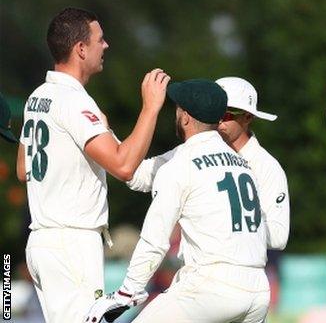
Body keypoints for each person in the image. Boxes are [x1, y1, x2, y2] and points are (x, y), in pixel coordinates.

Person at [15, 7, 170, 323]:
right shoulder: (74, 101)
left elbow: (22, 170)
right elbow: (124, 166)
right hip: (71, 243)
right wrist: (151, 108)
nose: (106, 45)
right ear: (80, 49)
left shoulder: (37, 96)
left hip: (42, 242)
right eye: (100, 39)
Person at [85, 79, 270, 323]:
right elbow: (136, 174)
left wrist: (126, 292)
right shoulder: (242, 164)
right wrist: (107, 136)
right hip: (258, 290)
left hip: (212, 287)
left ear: (185, 117)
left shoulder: (181, 164)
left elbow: (155, 239)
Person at [126, 76, 289, 251]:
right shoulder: (190, 151)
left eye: (226, 114)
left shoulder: (267, 167)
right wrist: (101, 133)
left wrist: (217, 220)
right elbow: (135, 174)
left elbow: (278, 237)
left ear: (248, 117)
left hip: (240, 273)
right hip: (195, 273)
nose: (218, 121)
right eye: (215, 112)